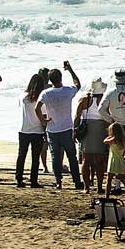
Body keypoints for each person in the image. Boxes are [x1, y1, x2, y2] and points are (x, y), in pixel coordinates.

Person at [36, 61, 84, 190]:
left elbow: (37, 108)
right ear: (60, 78)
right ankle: (77, 181)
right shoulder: (67, 91)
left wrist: (43, 120)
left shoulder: (46, 93)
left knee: (55, 157)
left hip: (52, 129)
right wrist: (71, 70)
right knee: (71, 157)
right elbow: (78, 84)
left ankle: (58, 182)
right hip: (66, 128)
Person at [75, 78, 108, 194]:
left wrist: (74, 130)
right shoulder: (105, 100)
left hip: (87, 128)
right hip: (100, 128)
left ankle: (86, 187)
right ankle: (99, 187)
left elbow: (77, 116)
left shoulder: (84, 99)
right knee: (100, 160)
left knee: (86, 159)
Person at [16, 72, 47, 188]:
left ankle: (19, 178)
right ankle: (34, 180)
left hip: (23, 129)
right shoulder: (41, 99)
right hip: (37, 130)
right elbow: (43, 115)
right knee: (35, 157)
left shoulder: (23, 96)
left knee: (21, 155)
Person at [104, 123, 125, 195]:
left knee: (109, 179)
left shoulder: (113, 139)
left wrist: (109, 137)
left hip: (113, 161)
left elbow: (105, 141)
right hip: (120, 160)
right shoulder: (123, 140)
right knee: (123, 179)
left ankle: (107, 196)